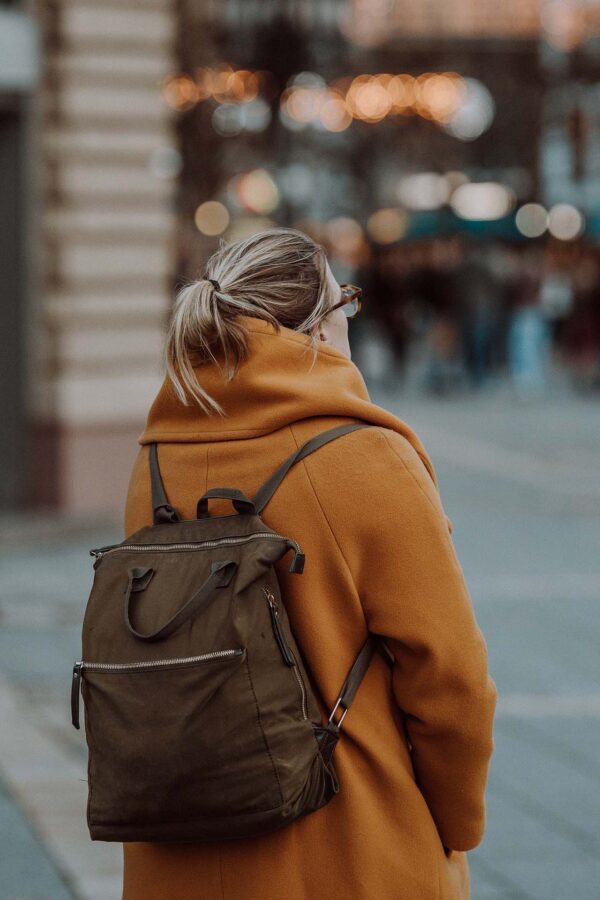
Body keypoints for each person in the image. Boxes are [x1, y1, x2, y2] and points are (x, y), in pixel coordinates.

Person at [122, 227, 497, 900]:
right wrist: (455, 820)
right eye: (344, 303)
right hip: (346, 846)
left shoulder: (153, 461)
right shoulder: (365, 458)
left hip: (177, 851)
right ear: (317, 332)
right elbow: (451, 680)